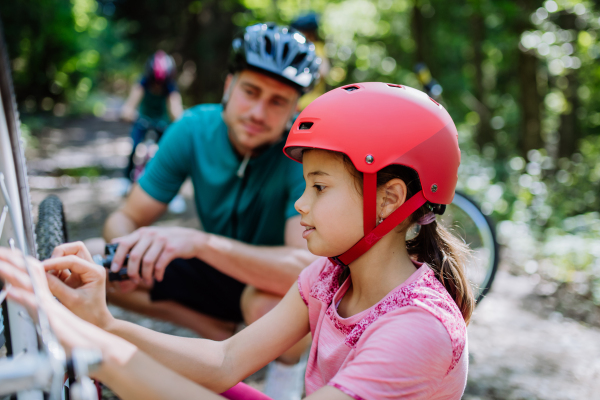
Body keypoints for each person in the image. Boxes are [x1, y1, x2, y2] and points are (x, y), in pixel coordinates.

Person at [0, 81, 474, 399]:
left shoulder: (419, 329)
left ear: (389, 198)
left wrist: (86, 343)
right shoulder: (329, 278)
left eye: (320, 187)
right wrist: (102, 321)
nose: (300, 205)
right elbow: (226, 360)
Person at [105, 23, 321, 398]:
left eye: (277, 101)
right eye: (250, 91)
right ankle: (215, 328)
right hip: (214, 275)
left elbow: (304, 268)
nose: (257, 112)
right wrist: (129, 251)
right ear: (228, 86)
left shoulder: (301, 155)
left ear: (294, 109)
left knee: (268, 303)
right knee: (98, 273)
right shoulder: (192, 129)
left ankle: (284, 385)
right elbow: (124, 217)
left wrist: (199, 243)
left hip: (266, 283)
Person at [120, 50, 184, 183]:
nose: (157, 85)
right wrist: (127, 112)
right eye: (155, 81)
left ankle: (169, 186)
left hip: (162, 122)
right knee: (134, 147)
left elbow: (175, 107)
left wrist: (179, 122)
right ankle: (126, 180)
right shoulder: (143, 82)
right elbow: (131, 103)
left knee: (168, 153)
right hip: (143, 119)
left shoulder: (170, 87)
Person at [290, 13, 330, 110]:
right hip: (297, 106)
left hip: (311, 105)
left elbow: (324, 71)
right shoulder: (299, 47)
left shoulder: (316, 48)